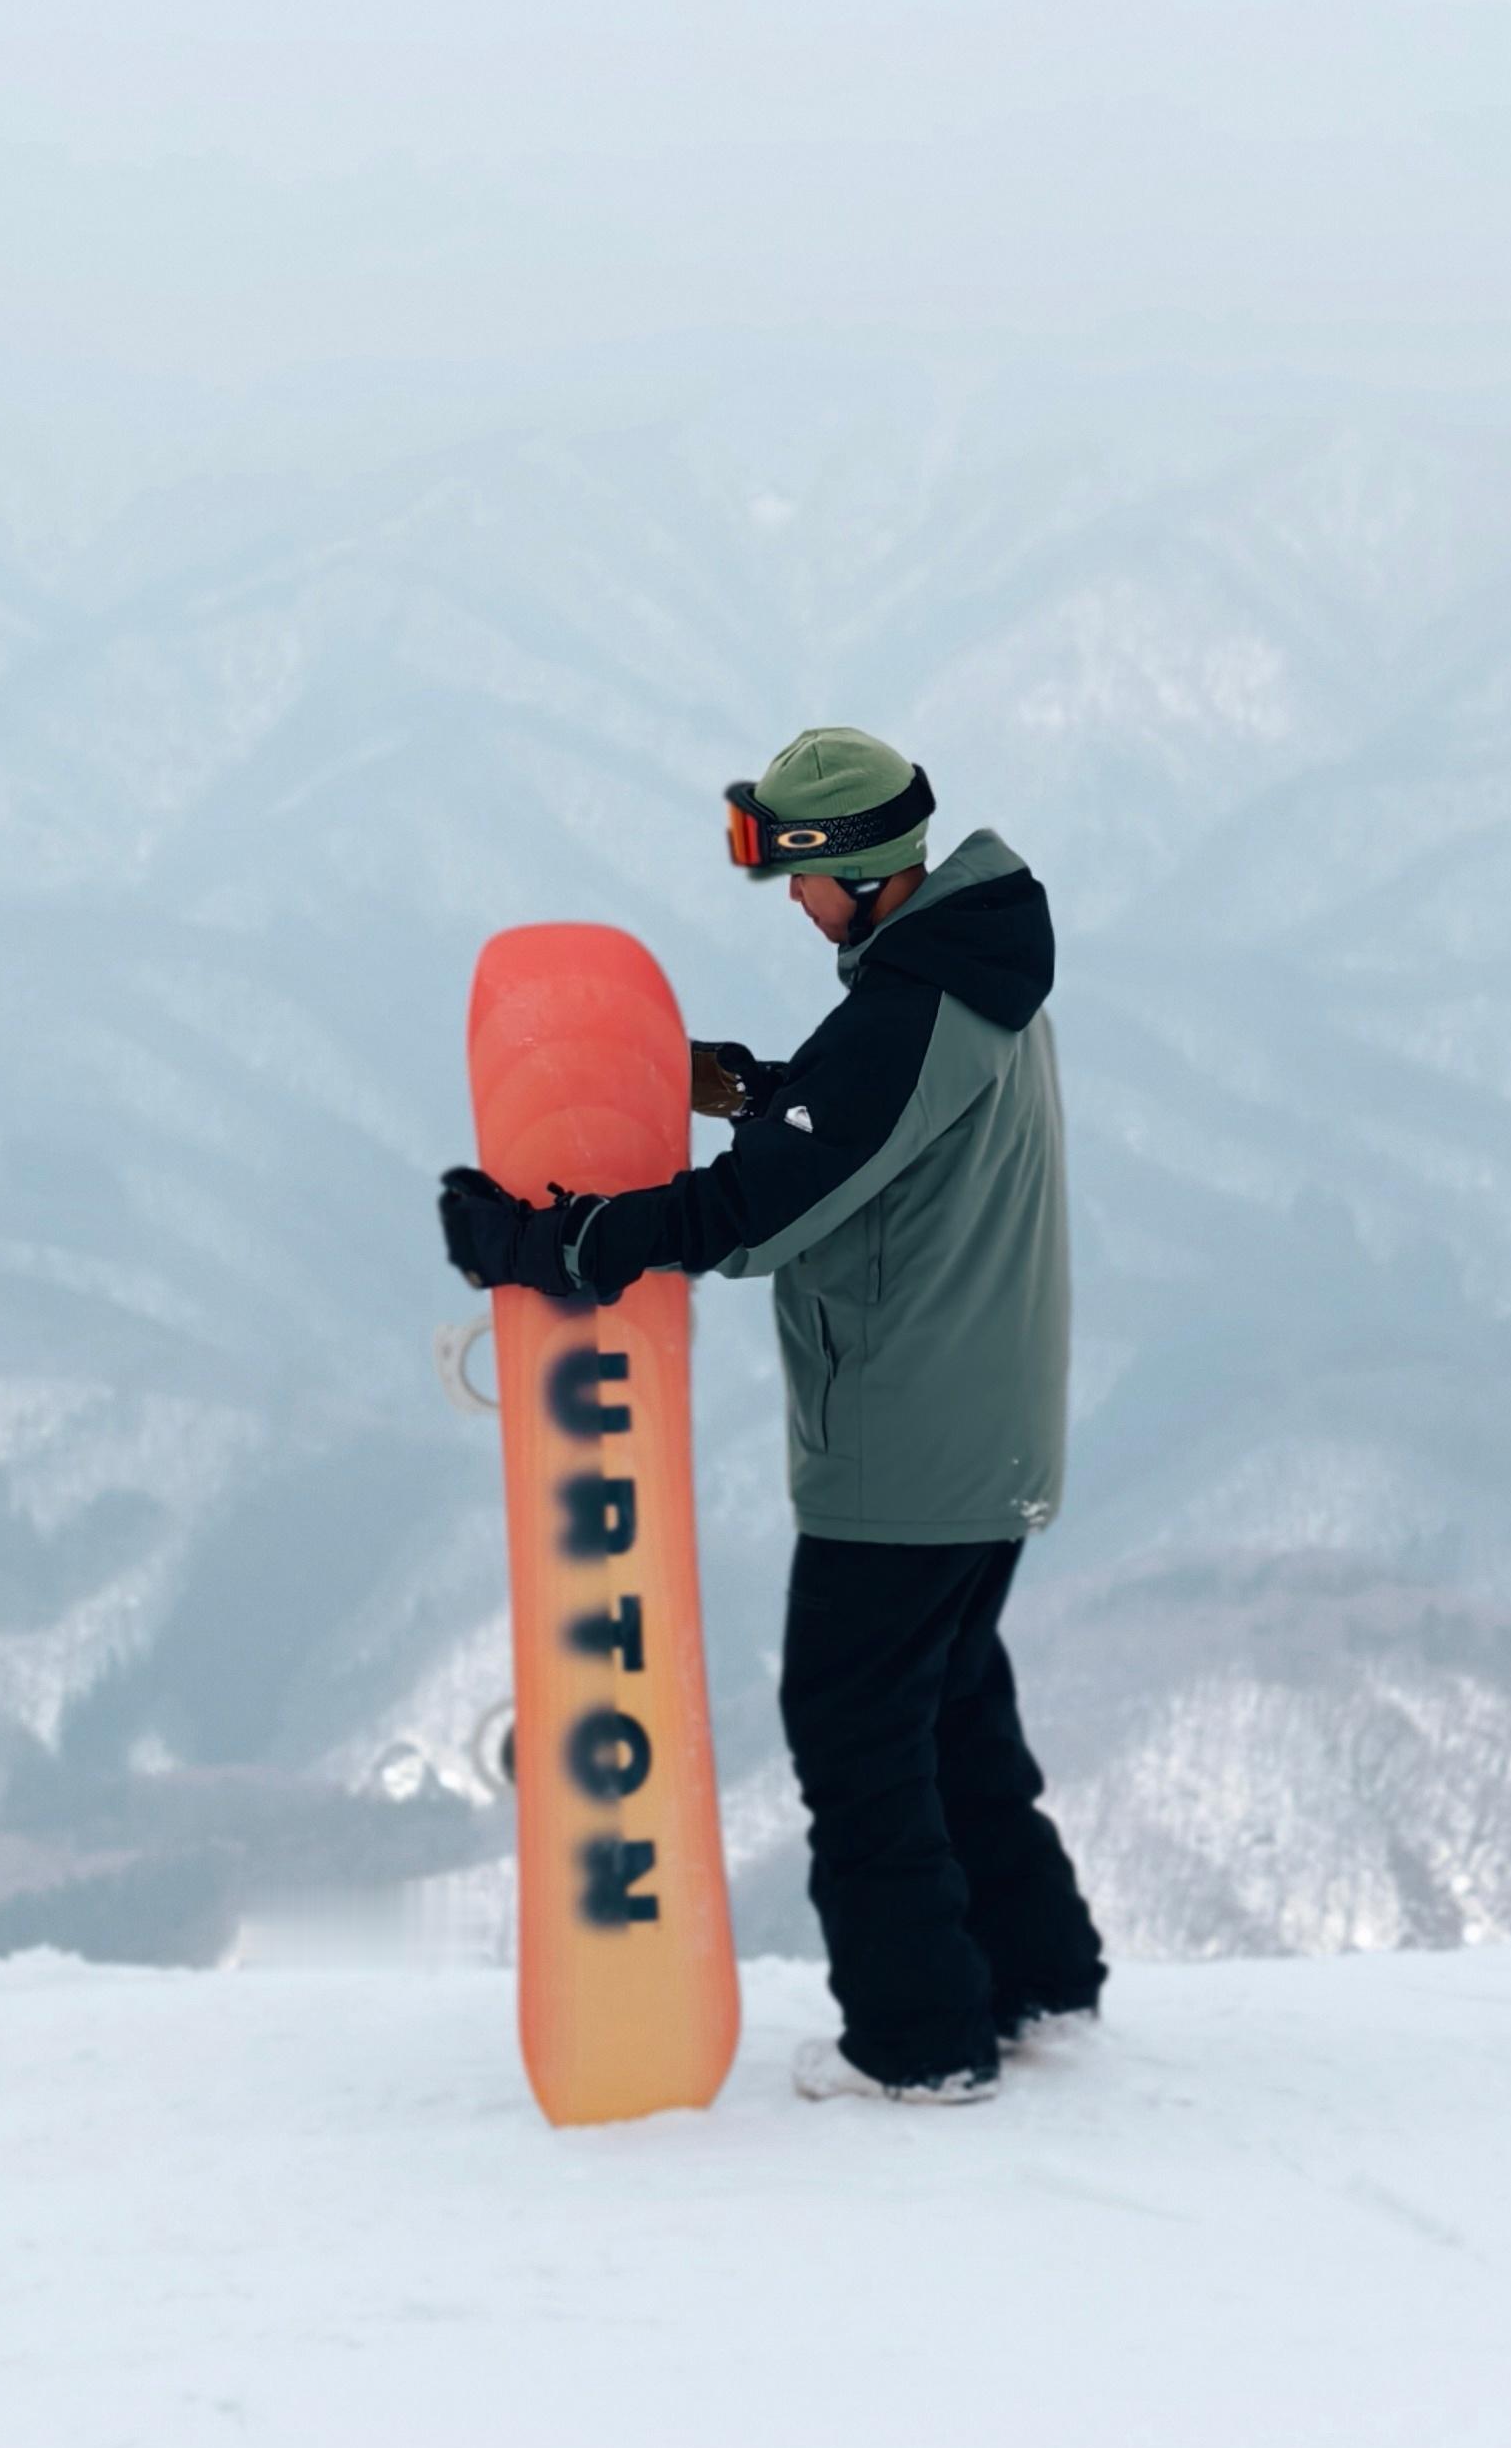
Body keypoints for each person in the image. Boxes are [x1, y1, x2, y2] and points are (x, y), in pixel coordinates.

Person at [437, 725, 1106, 2104]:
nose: (789, 901)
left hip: (908, 1447)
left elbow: (756, 1211)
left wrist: (542, 1248)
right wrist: (721, 1084)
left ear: (858, 869)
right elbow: (855, 1120)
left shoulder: (915, 1005)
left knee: (856, 1727)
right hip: (988, 1431)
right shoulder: (971, 977)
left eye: (792, 874)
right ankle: (1039, 1977)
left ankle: (922, 2043)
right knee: (949, 1710)